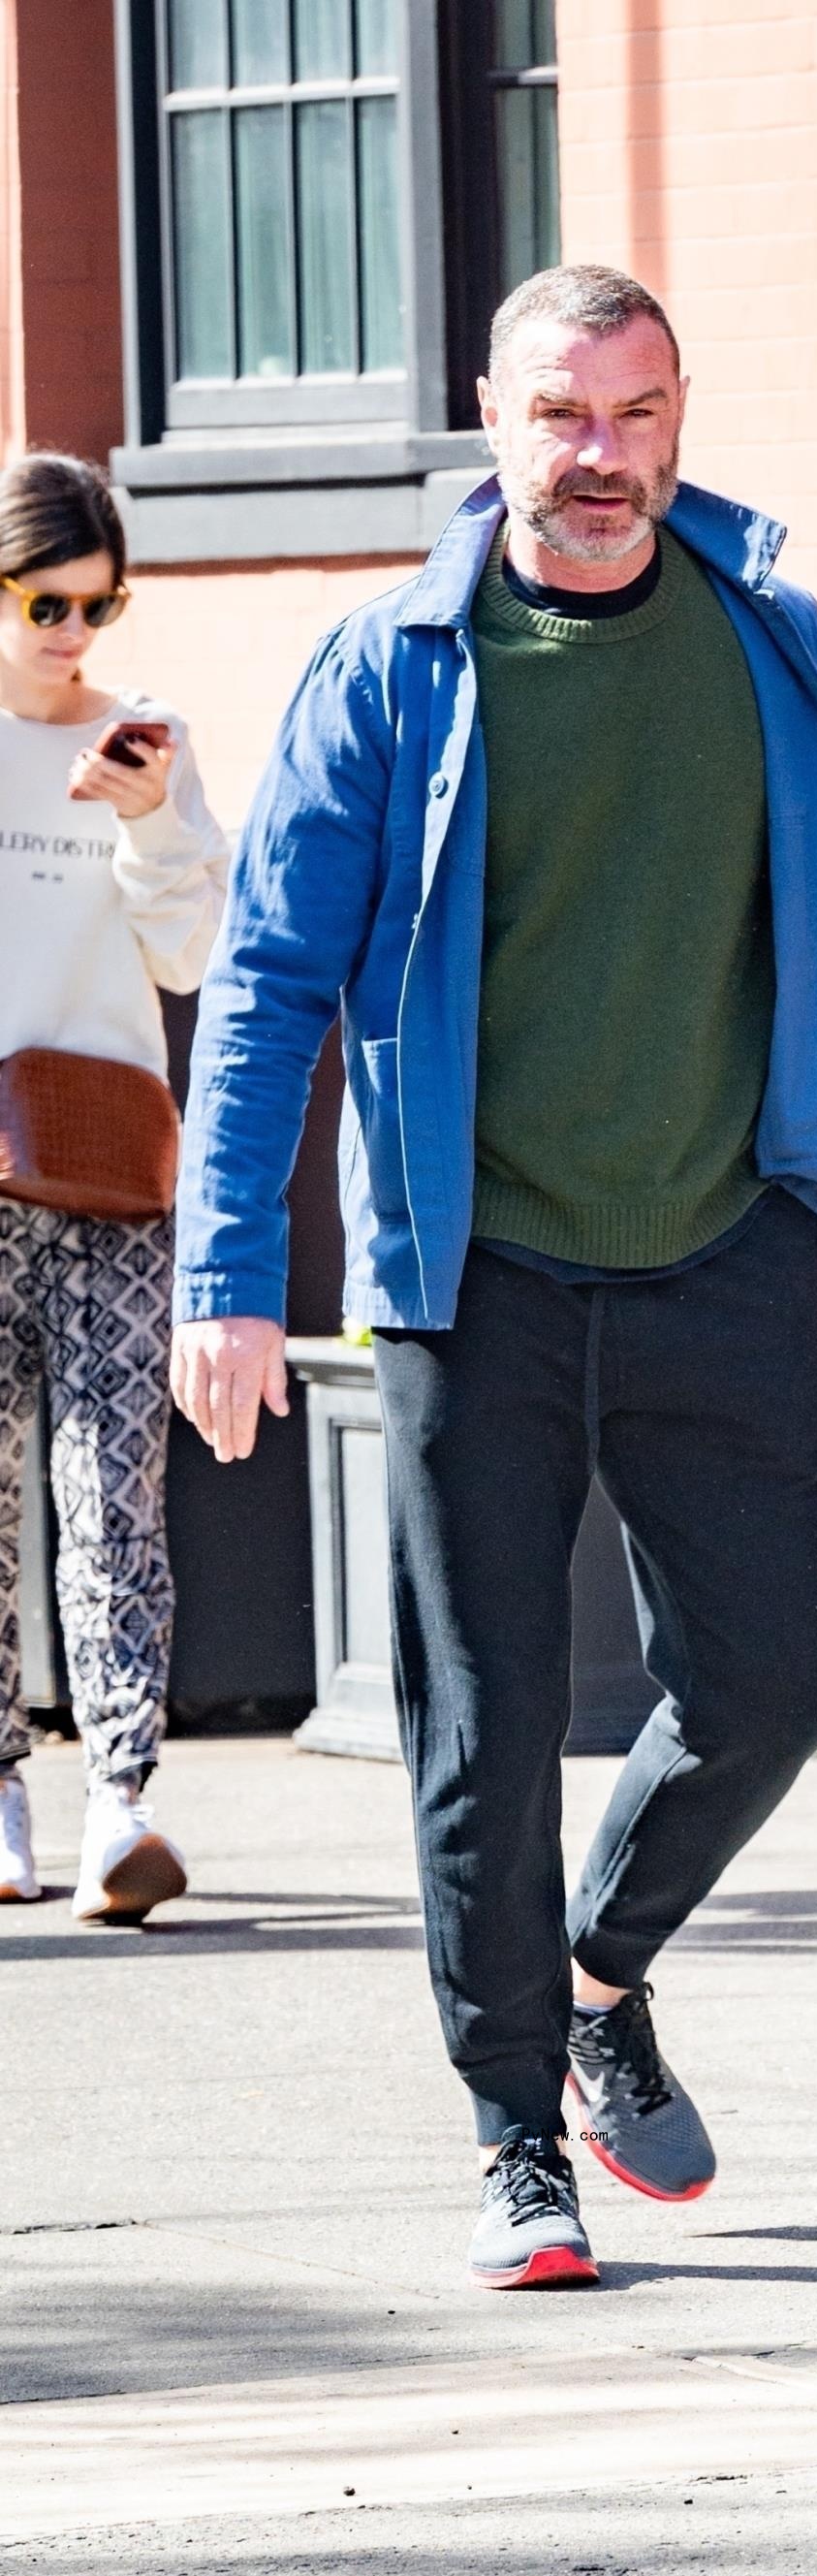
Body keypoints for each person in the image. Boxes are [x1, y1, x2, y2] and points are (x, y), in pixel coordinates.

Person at [170, 266, 817, 2291]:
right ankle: (517, 2135)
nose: (605, 458)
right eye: (564, 417)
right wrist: (226, 1267)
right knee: (485, 1732)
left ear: (681, 417)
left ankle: (600, 1973)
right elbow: (264, 990)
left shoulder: (768, 642)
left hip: (719, 1249)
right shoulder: (394, 664)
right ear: (490, 421)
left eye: (640, 413)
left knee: (782, 1674)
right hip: (473, 1272)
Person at [0, 453, 226, 1924]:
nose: (77, 630)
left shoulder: (154, 740)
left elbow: (193, 956)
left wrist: (147, 819)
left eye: (101, 602)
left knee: (111, 1488)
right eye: (47, 601)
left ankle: (120, 1798)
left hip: (110, 1158)